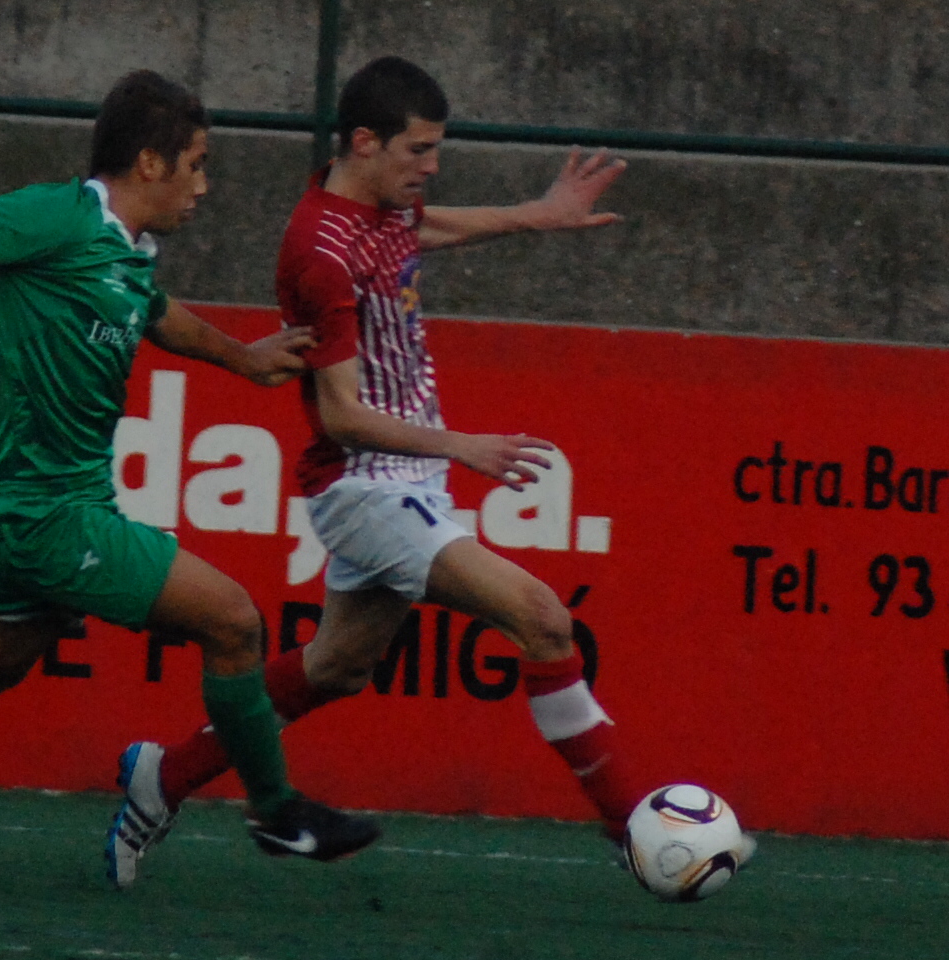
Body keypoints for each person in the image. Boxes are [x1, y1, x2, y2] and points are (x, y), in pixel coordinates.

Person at [107, 55, 743, 889]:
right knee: (545, 621)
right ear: (365, 142)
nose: (431, 167)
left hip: (402, 485)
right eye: (420, 150)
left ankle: (166, 776)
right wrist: (461, 446)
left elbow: (425, 228)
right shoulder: (320, 251)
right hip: (368, 488)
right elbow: (336, 413)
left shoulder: (376, 209)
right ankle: (635, 828)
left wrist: (536, 214)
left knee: (336, 667)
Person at [0, 69, 380, 886]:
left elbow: (155, 313)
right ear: (149, 163)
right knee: (236, 623)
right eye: (198, 165)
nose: (204, 187)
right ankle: (277, 812)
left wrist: (245, 360)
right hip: (46, 514)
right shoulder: (58, 215)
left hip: (55, 505)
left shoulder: (128, 252)